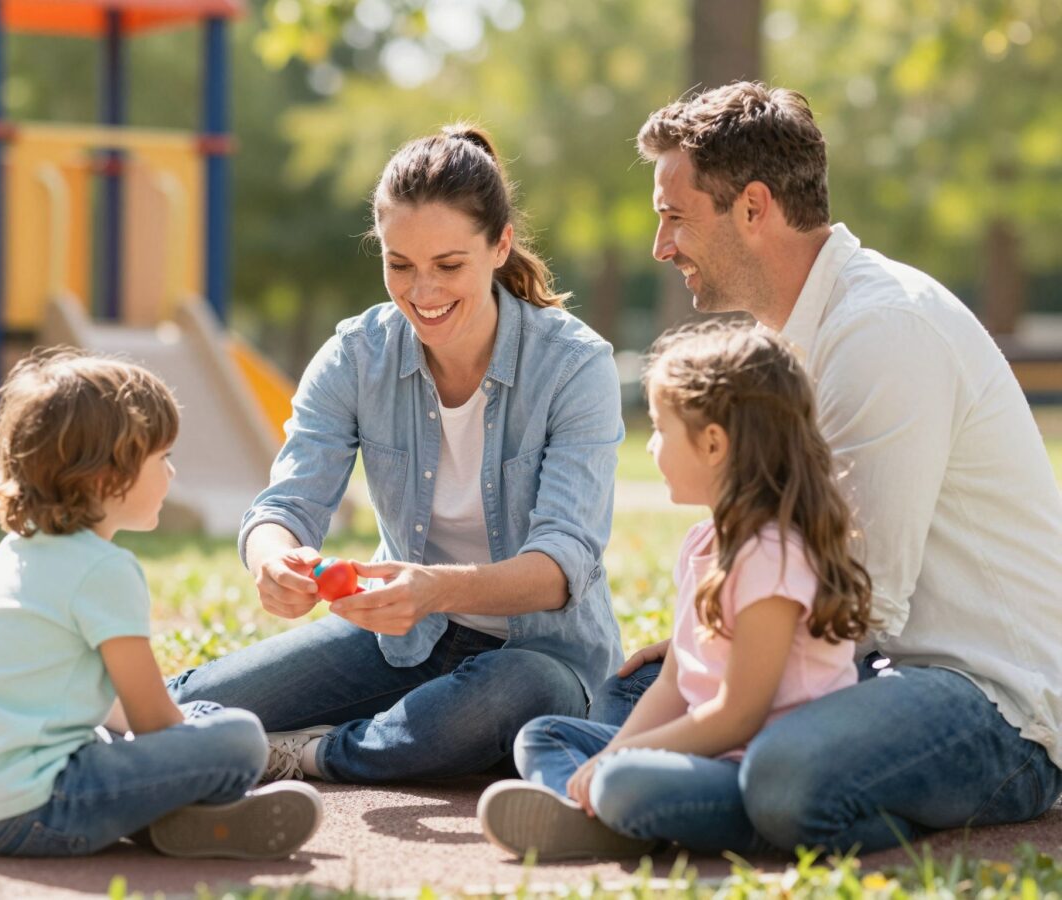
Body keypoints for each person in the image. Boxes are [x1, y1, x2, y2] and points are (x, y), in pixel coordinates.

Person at [590, 82, 1062, 853]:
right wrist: (700, 648)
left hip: (986, 704)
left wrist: (723, 672)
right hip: (863, 672)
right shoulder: (793, 343)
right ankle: (642, 788)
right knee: (624, 695)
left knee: (786, 775)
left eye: (675, 216)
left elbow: (863, 599)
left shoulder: (883, 331)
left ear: (752, 207)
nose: (661, 246)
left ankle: (648, 795)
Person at [165, 126, 625, 785]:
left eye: (448, 265)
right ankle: (110, 729)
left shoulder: (574, 365)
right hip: (397, 642)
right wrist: (275, 560)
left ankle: (313, 753)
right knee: (181, 705)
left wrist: (435, 588)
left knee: (509, 697)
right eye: (400, 264)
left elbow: (561, 565)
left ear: (499, 246)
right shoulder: (356, 356)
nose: (422, 291)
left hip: (538, 656)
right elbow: (287, 504)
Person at [478, 323, 871, 859]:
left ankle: (615, 810)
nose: (653, 443)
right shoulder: (702, 543)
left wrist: (618, 765)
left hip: (752, 774)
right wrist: (615, 751)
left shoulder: (770, 556)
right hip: (702, 752)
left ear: (713, 443)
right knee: (542, 735)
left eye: (661, 429)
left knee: (624, 781)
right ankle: (600, 815)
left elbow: (740, 717)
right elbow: (672, 682)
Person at [0, 350, 322, 859]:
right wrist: (204, 749)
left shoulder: (21, 546)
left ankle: (171, 818)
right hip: (34, 810)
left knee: (203, 712)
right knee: (239, 738)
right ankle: (178, 815)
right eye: (162, 458)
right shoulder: (104, 570)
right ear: (108, 475)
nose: (172, 474)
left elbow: (107, 710)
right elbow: (151, 719)